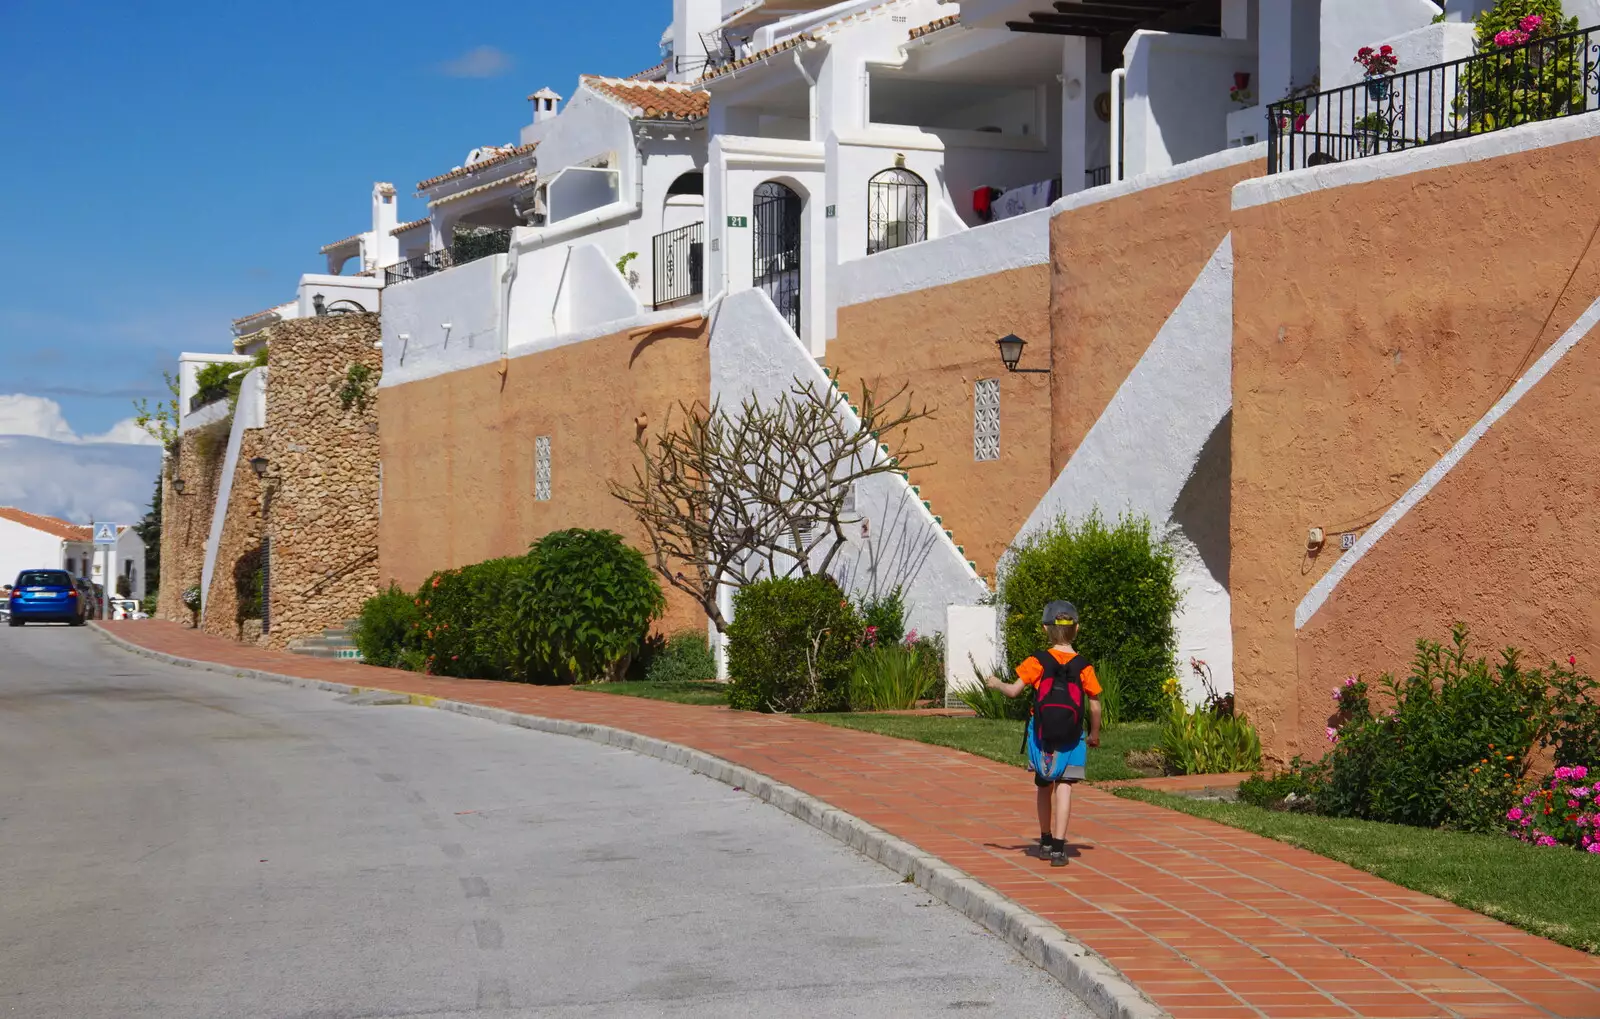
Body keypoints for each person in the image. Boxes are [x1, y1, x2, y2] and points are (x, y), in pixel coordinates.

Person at [986, 600, 1102, 867]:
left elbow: (1014, 691)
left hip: (1042, 737)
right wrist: (1094, 734)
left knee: (1043, 786)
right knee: (1065, 788)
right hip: (1073, 737)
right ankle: (1060, 849)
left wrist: (996, 683)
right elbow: (1094, 703)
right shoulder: (1084, 665)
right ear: (1077, 629)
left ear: (1044, 629)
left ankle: (1046, 841)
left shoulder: (1037, 661)